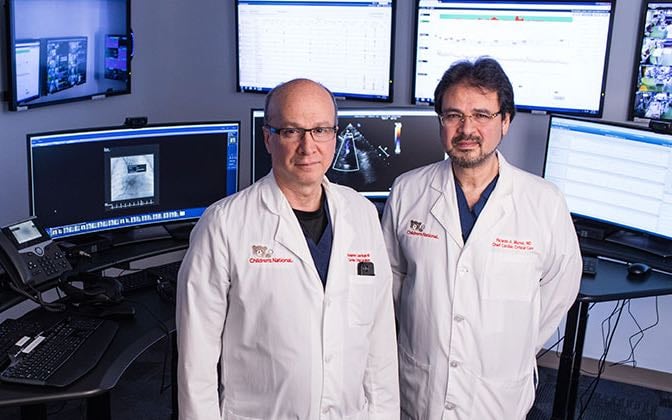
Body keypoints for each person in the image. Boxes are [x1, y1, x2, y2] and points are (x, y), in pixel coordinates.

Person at [176, 78, 400, 420]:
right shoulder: (224, 224)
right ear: (268, 137)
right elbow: (197, 360)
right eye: (292, 131)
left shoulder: (363, 214)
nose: (308, 147)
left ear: (335, 135)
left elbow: (379, 345)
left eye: (321, 130)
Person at [381, 58, 582, 419]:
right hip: (421, 381)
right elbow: (392, 279)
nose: (466, 129)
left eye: (482, 115)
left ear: (505, 121)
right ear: (440, 121)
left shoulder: (543, 202)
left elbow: (559, 288)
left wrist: (514, 343)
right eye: (453, 115)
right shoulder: (408, 190)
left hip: (497, 390)